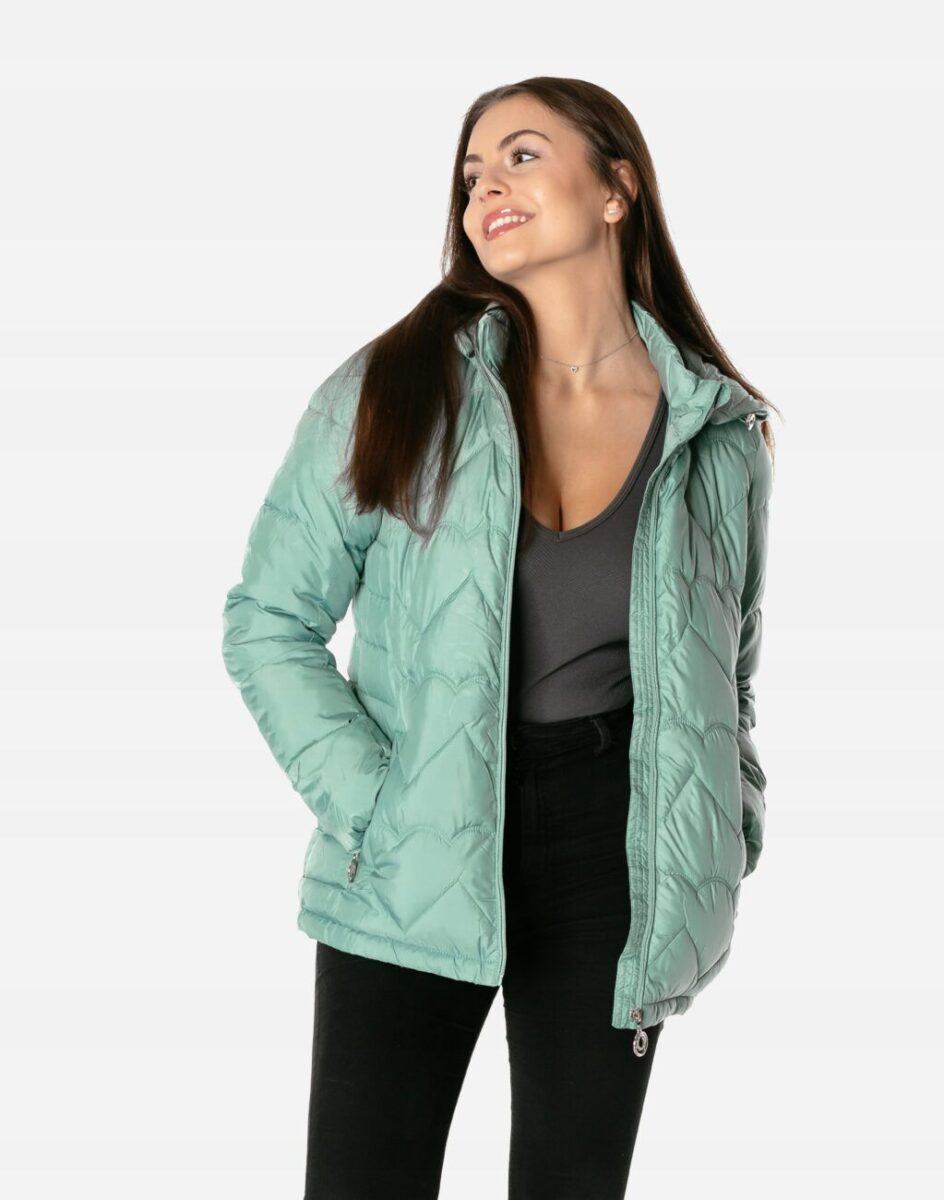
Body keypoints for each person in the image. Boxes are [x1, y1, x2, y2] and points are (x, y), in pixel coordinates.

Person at [221, 75, 778, 1200]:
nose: (485, 187)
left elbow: (731, 671)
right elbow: (267, 622)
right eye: (470, 173)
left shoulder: (718, 433)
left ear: (616, 188)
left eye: (520, 155)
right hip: (419, 845)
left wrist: (727, 820)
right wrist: (378, 803)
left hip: (615, 852)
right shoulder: (395, 388)